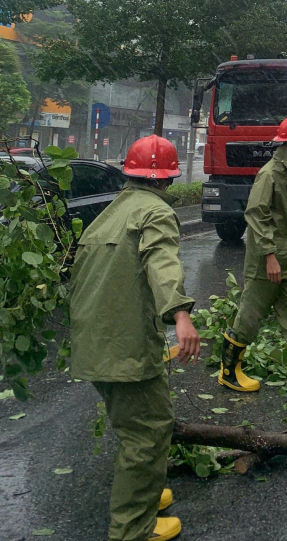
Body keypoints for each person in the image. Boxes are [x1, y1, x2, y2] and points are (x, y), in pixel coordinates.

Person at [70, 135, 200, 541]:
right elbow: (161, 259)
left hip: (93, 344)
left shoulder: (109, 213)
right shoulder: (155, 212)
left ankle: (145, 496)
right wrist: (180, 314)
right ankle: (132, 529)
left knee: (133, 425)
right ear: (168, 180)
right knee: (147, 432)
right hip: (124, 346)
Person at [219, 116, 287, 397]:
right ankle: (229, 372)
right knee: (249, 318)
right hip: (266, 265)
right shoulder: (269, 174)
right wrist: (269, 255)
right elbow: (256, 215)